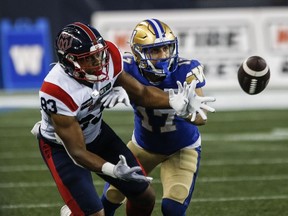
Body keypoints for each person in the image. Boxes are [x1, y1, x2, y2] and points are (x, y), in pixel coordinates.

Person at [30, 22, 215, 216]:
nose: (98, 61)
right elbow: (77, 152)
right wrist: (111, 170)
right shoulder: (56, 90)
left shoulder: (109, 57)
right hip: (63, 148)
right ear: (69, 61)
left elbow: (142, 93)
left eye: (98, 54)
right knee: (97, 212)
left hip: (98, 133)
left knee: (145, 196)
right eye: (88, 59)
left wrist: (175, 102)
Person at [101, 18, 215, 216]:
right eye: (155, 50)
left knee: (173, 208)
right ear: (138, 53)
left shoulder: (186, 70)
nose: (163, 55)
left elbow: (201, 118)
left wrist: (187, 111)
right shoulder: (126, 68)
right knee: (112, 195)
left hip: (182, 148)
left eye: (167, 48)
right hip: (142, 146)